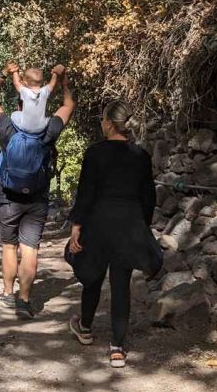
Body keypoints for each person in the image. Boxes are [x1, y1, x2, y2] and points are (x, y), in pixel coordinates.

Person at [66, 100, 162, 368]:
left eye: (102, 119)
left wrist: (76, 226)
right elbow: (148, 197)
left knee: (93, 277)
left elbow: (86, 194)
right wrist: (142, 226)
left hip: (98, 224)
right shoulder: (140, 156)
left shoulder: (95, 153)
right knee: (121, 284)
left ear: (108, 123)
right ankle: (117, 348)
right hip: (128, 226)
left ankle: (85, 328)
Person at [0, 63, 75, 319]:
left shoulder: (7, 126)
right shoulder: (50, 128)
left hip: (9, 196)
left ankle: (7, 293)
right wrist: (63, 81)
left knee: (9, 247)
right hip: (37, 197)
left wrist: (3, 74)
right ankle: (24, 300)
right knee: (30, 249)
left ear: (20, 104)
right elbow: (68, 105)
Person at [10, 64, 65, 134]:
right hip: (42, 127)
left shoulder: (25, 92)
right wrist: (55, 73)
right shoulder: (45, 91)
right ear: (42, 82)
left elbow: (16, 83)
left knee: (14, 114)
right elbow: (52, 84)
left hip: (25, 127)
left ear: (25, 83)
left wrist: (14, 71)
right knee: (49, 115)